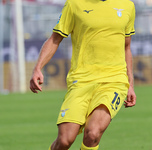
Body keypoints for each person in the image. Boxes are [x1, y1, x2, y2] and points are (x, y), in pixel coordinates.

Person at [30, 0, 137, 149]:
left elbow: (126, 47)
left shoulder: (127, 5)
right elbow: (55, 38)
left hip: (114, 81)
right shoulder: (74, 4)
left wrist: (130, 85)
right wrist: (38, 68)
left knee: (93, 134)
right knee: (65, 140)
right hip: (81, 80)